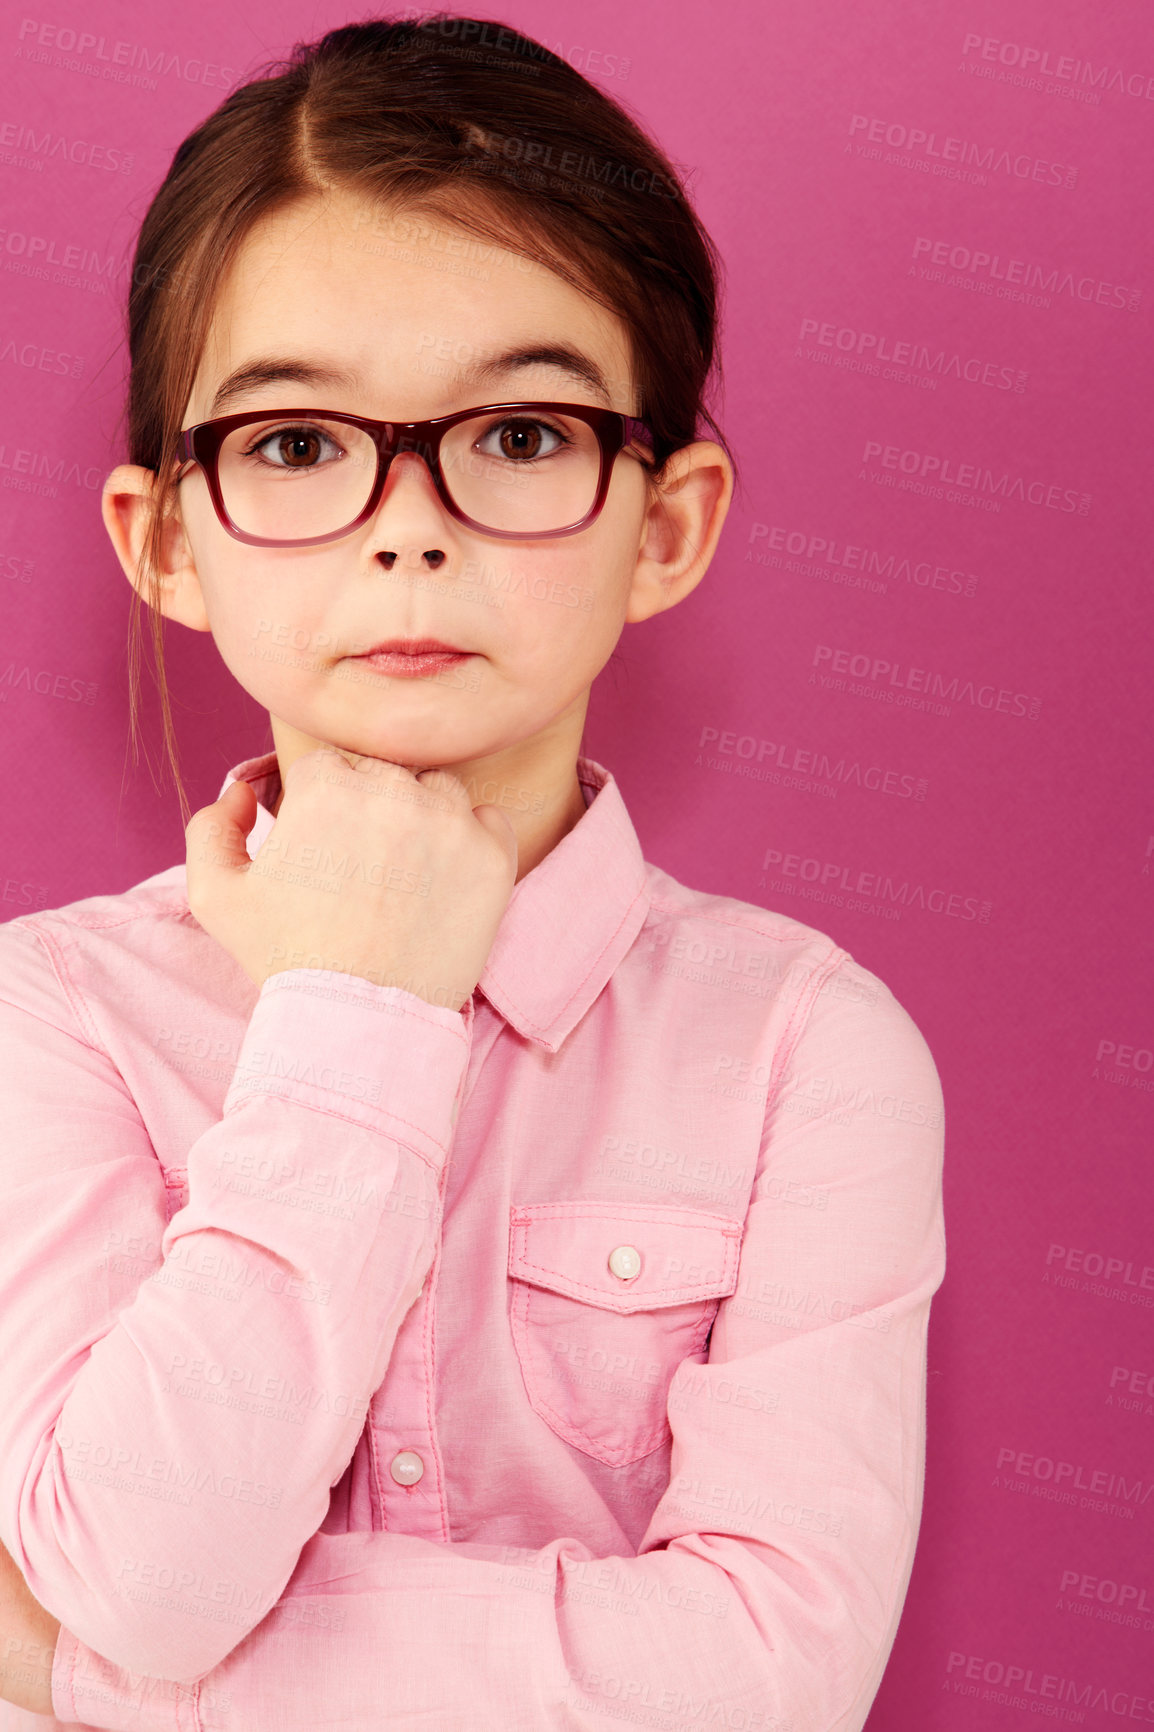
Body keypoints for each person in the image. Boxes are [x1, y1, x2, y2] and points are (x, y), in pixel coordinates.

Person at [0, 15, 946, 1730]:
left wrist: (85, 1676)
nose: (408, 523)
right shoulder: (45, 1016)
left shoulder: (807, 1048)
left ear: (663, 523)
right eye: (295, 445)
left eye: (519, 436)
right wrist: (360, 1013)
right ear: (165, 539)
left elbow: (772, 1677)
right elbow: (153, 1569)